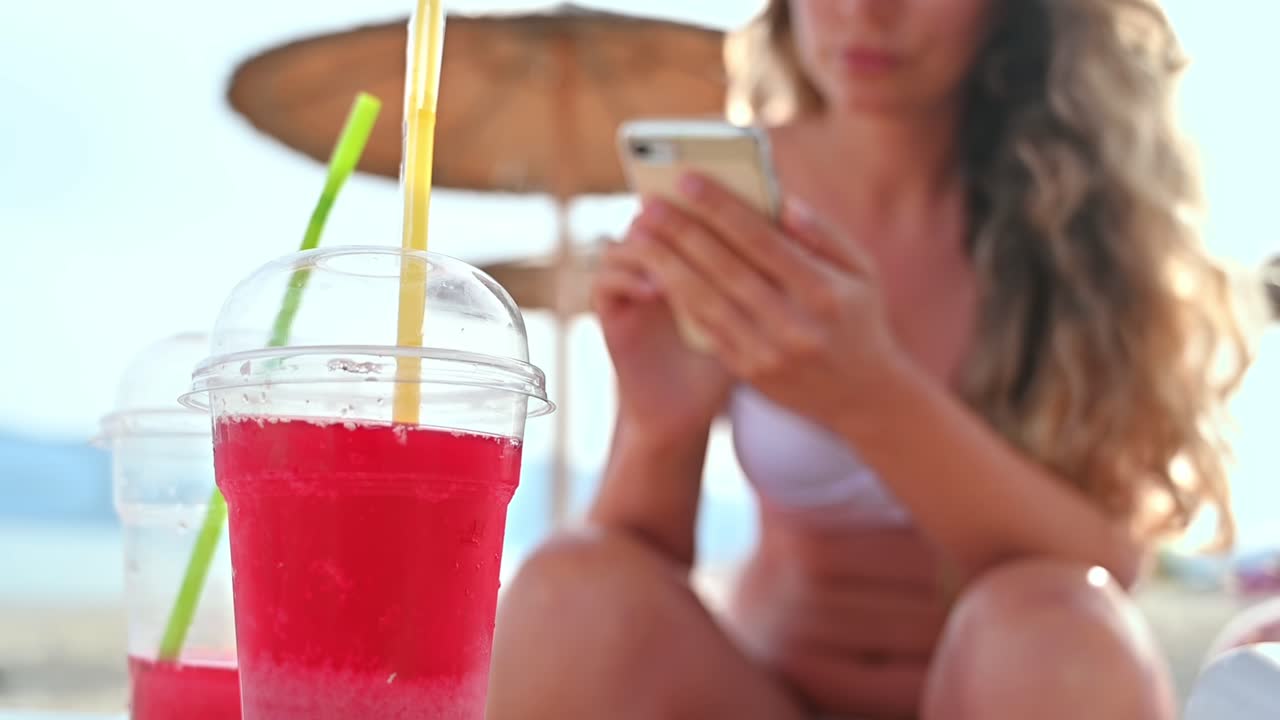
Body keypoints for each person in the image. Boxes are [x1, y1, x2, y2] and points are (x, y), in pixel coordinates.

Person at [486, 1, 1251, 718]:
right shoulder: (732, 196)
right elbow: (634, 566)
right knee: (566, 592)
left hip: (1005, 684)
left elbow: (1107, 564)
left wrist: (867, 390)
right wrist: (661, 420)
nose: (865, 13)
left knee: (1054, 625)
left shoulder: (1084, 220)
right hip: (759, 686)